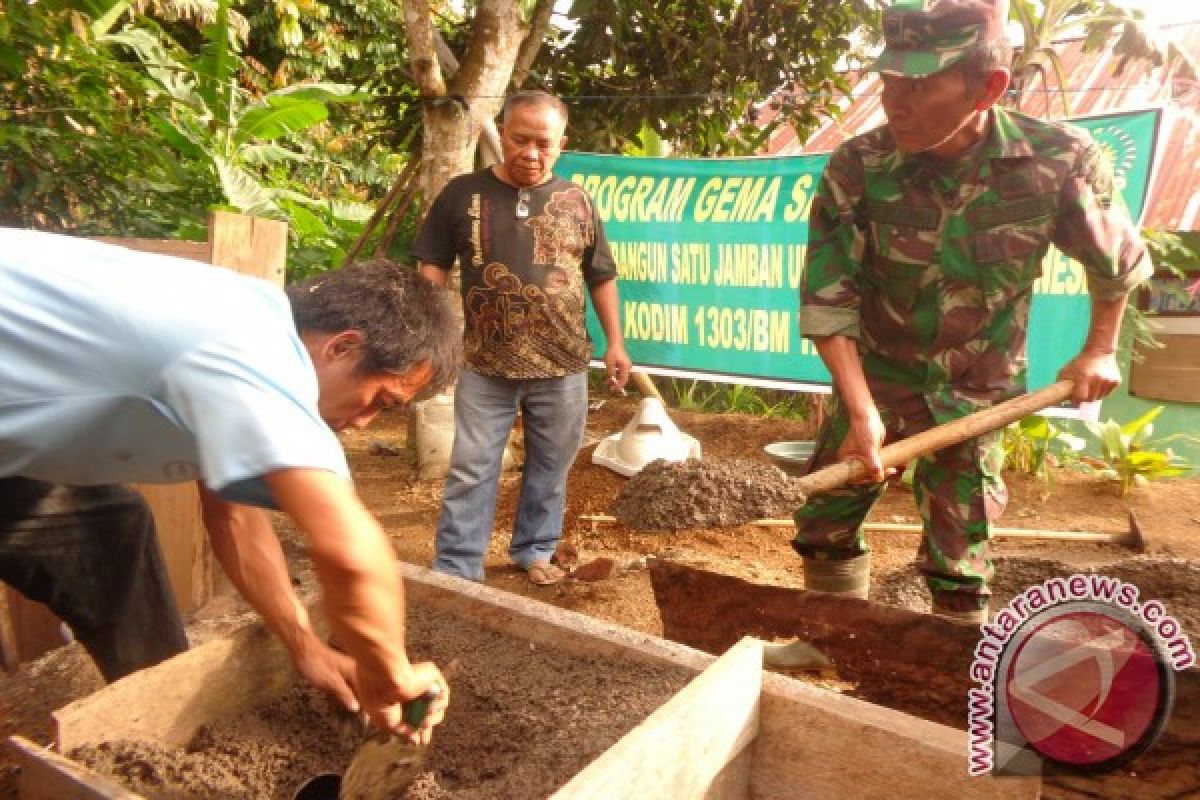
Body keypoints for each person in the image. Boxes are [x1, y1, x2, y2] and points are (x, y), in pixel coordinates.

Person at [0, 229, 459, 740]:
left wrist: (306, 648)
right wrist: (390, 673)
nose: (367, 422)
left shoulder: (244, 329)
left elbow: (235, 514)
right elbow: (350, 551)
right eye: (381, 400)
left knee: (112, 531)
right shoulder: (252, 354)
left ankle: (160, 739)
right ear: (343, 347)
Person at [787, 0, 1154, 633]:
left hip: (975, 395)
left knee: (961, 558)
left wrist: (1099, 348)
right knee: (823, 523)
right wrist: (861, 410)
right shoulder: (859, 166)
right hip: (876, 380)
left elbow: (1117, 262)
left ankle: (950, 674)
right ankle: (834, 643)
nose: (894, 102)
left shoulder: (1057, 160)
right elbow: (829, 299)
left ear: (989, 88)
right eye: (889, 80)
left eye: (920, 84)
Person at [413, 90, 630, 586]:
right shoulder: (461, 193)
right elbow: (432, 266)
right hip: (485, 363)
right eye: (520, 139)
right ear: (502, 136)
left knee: (551, 468)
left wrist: (616, 342)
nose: (530, 153)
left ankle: (534, 549)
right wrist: (433, 335)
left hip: (564, 365)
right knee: (471, 468)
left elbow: (601, 275)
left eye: (543, 143)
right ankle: (458, 564)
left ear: (561, 145)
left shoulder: (577, 201)